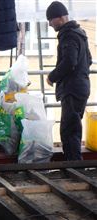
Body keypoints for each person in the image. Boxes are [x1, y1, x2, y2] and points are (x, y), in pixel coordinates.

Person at [46, 1, 92, 160]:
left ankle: (74, 167)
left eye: (51, 20)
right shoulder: (80, 33)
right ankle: (75, 165)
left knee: (69, 130)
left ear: (59, 17)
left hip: (72, 89)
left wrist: (52, 76)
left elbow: (69, 62)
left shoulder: (69, 35)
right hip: (82, 86)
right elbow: (89, 60)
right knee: (73, 127)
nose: (50, 24)